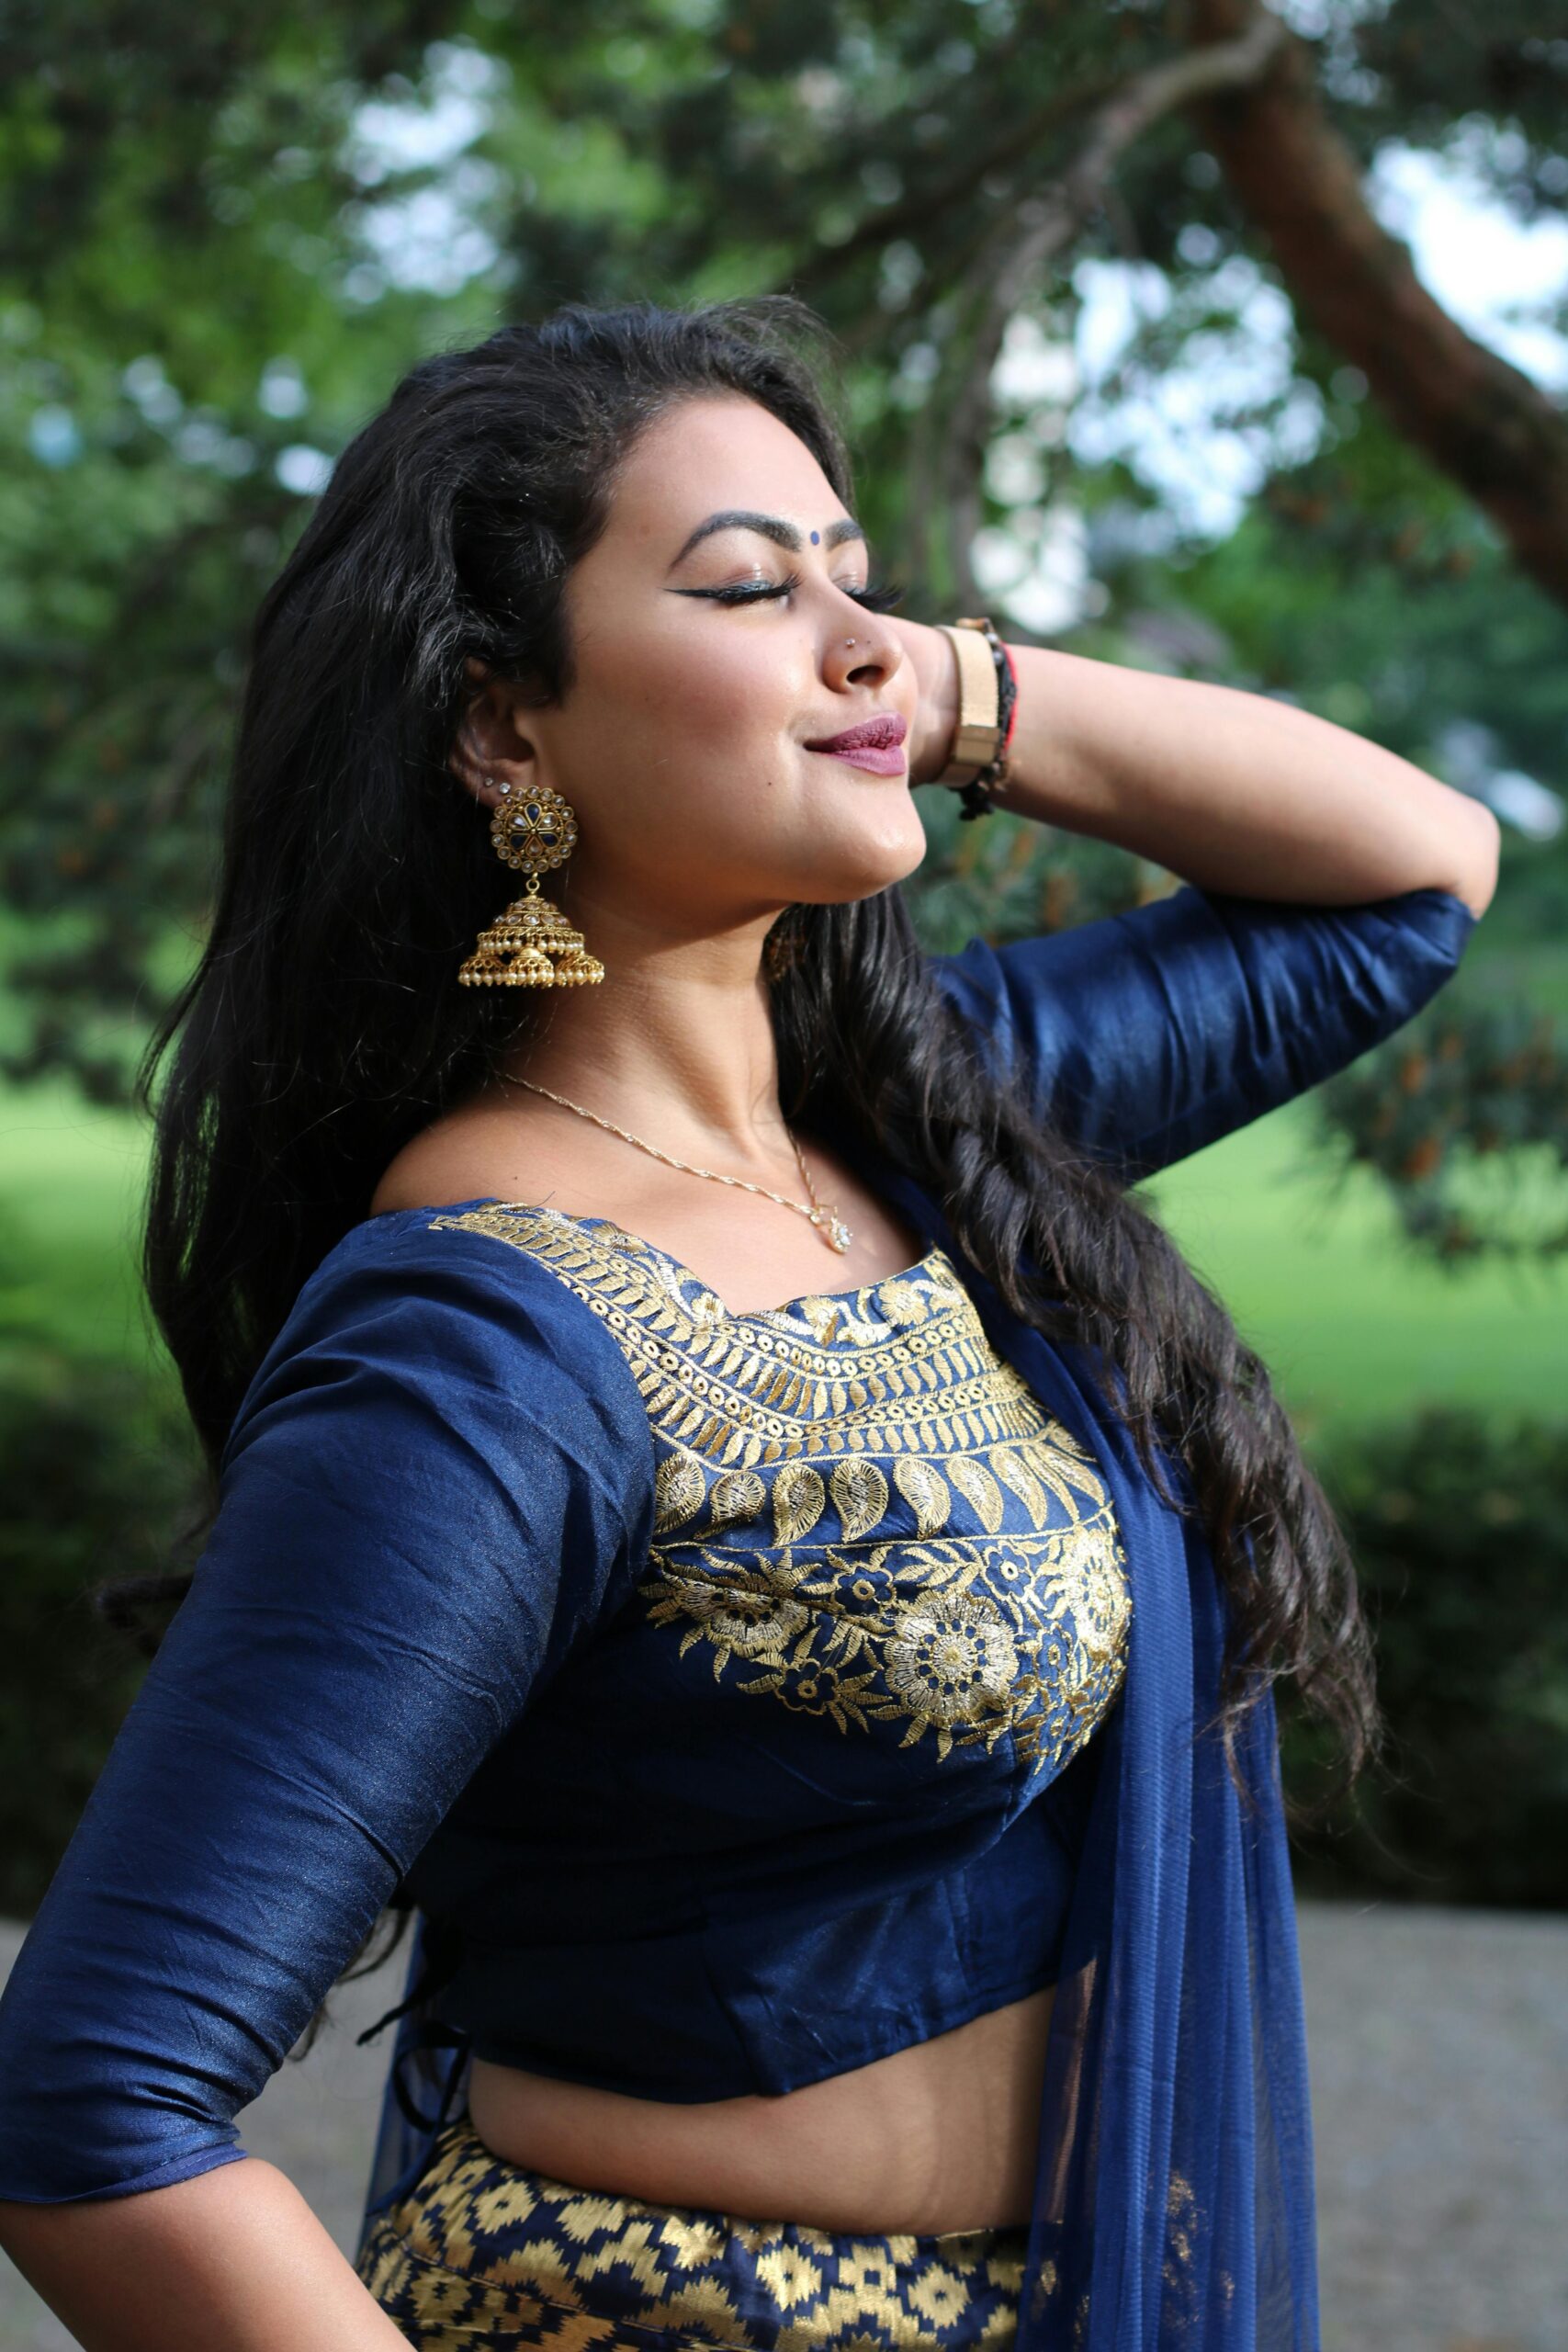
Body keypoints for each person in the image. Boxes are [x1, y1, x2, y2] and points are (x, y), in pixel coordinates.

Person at [0, 297, 1495, 2352]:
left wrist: (940, 685)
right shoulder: (478, 1344)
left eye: (852, 576)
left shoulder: (927, 1116)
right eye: (740, 585)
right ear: (504, 728)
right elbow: (96, 2101)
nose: (847, 632)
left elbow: (1414, 873)